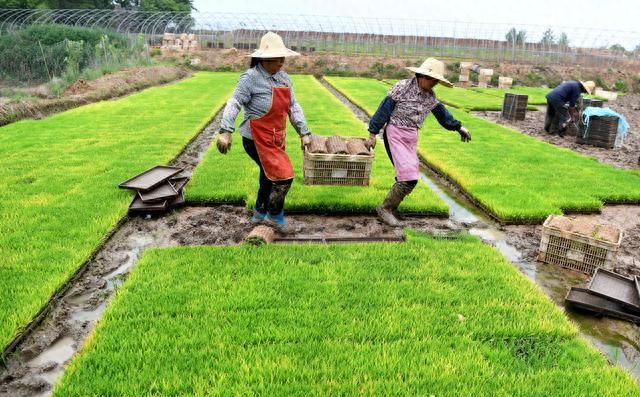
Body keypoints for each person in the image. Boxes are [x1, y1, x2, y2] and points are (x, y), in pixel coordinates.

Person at [216, 32, 312, 226]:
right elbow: (234, 103)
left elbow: (293, 106)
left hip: (276, 138)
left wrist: (304, 133)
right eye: (278, 58)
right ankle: (274, 217)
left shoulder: (284, 79)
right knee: (283, 177)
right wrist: (226, 131)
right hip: (256, 139)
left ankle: (260, 212)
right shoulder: (250, 78)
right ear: (265, 58)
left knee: (268, 176)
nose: (282, 62)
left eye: (283, 57)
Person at [366, 58, 471, 227]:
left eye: (437, 81)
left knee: (411, 178)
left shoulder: (430, 97)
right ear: (421, 75)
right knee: (407, 175)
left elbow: (443, 116)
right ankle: (386, 209)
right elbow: (383, 110)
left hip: (411, 137)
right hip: (395, 133)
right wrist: (372, 134)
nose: (434, 83)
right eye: (432, 79)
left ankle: (390, 207)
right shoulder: (401, 88)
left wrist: (459, 127)